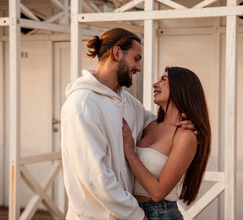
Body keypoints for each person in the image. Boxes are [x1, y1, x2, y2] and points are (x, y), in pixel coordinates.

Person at [61, 28, 194, 220]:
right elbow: (95, 176)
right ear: (117, 53)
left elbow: (158, 127)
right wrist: (137, 215)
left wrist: (187, 125)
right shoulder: (82, 104)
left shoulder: (128, 103)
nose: (139, 68)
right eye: (136, 58)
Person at [122, 66, 211, 220]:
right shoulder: (149, 125)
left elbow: (157, 193)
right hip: (132, 211)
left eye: (163, 80)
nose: (154, 84)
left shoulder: (186, 136)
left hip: (160, 213)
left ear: (181, 87)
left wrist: (131, 154)